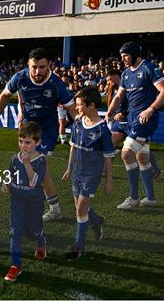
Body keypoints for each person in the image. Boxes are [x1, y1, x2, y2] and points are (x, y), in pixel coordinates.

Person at [0, 48, 77, 222]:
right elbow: (5, 95)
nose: (37, 71)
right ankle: (55, 209)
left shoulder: (56, 84)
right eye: (34, 67)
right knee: (39, 172)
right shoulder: (20, 78)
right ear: (28, 65)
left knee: (35, 167)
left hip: (48, 130)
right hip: (28, 128)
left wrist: (83, 128)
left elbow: (72, 109)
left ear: (48, 66)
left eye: (42, 67)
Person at [106, 42, 164, 210]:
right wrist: (110, 111)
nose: (123, 60)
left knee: (126, 153)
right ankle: (150, 198)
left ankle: (133, 198)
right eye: (122, 56)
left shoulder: (149, 68)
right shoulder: (126, 73)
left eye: (125, 56)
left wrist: (150, 109)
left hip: (145, 119)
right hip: (133, 118)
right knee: (142, 158)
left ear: (135, 54)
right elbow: (119, 96)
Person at [63, 87, 114, 260]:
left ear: (91, 106)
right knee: (80, 208)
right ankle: (97, 221)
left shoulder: (102, 130)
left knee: (80, 209)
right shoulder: (78, 122)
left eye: (79, 104)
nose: (76, 108)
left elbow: (108, 156)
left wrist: (109, 180)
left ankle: (79, 246)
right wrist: (69, 168)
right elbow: (73, 147)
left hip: (91, 174)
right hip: (76, 171)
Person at [1, 122, 47, 282]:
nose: (23, 145)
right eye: (20, 141)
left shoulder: (40, 160)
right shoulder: (15, 158)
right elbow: (9, 172)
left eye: (27, 142)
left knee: (34, 231)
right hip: (17, 201)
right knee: (15, 232)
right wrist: (6, 182)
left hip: (34, 203)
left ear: (37, 142)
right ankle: (15, 265)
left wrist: (27, 163)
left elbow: (34, 181)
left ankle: (40, 241)